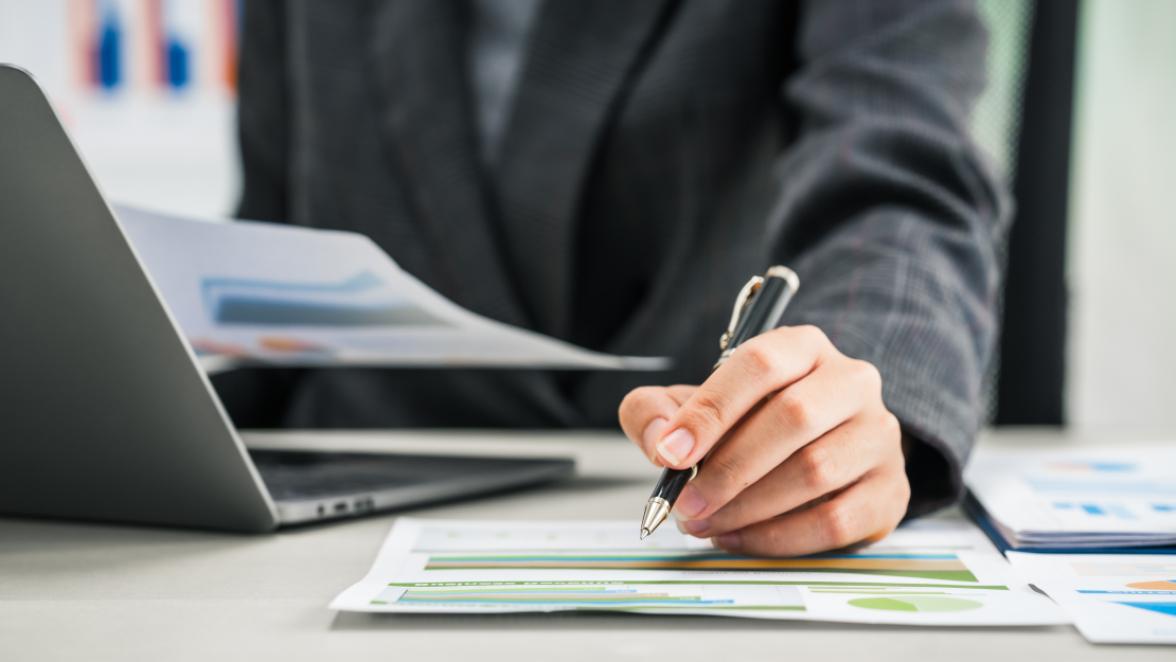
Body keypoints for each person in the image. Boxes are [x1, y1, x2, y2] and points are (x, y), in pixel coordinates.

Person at [224, 0, 1007, 557]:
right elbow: (272, 231)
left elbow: (899, 177)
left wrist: (863, 398)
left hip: (728, 481)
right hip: (332, 521)